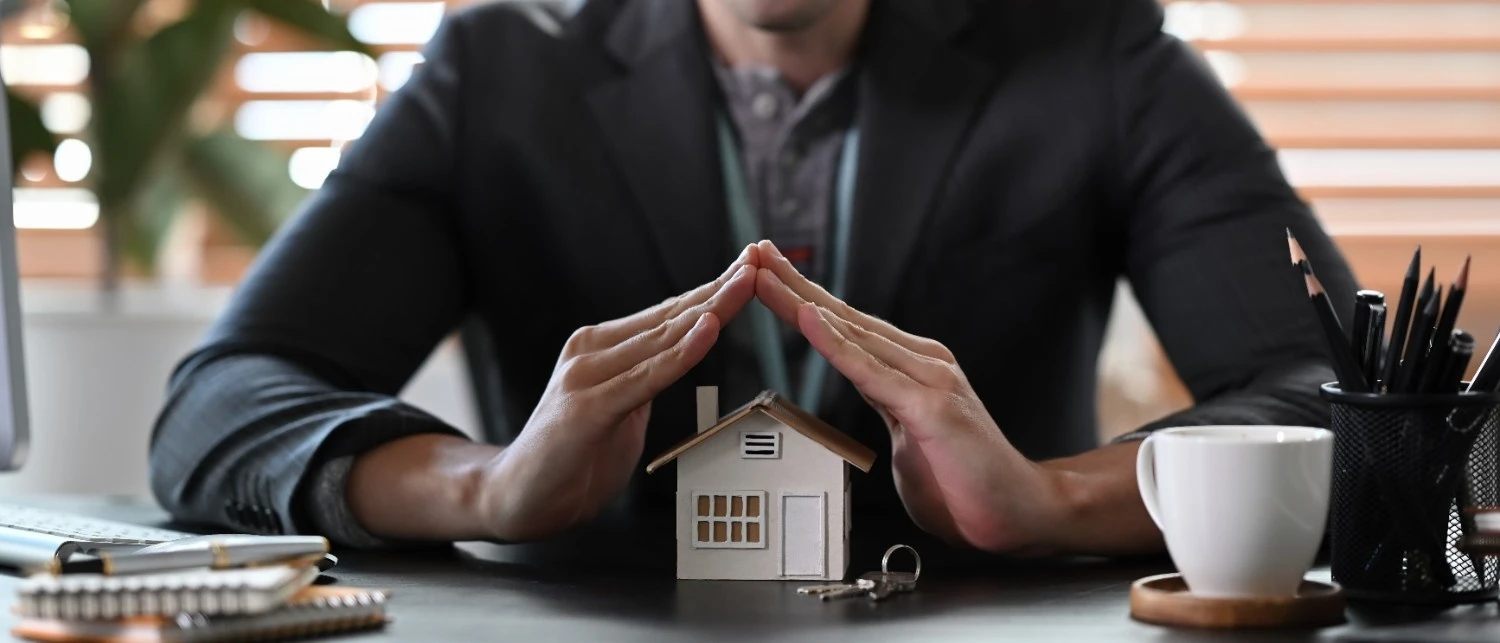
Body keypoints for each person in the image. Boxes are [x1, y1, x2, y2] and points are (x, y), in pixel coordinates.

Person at [148, 0, 1357, 557]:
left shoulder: (1100, 58)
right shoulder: (496, 75)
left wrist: (1056, 501)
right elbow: (221, 407)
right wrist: (484, 485)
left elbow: (1351, 399)